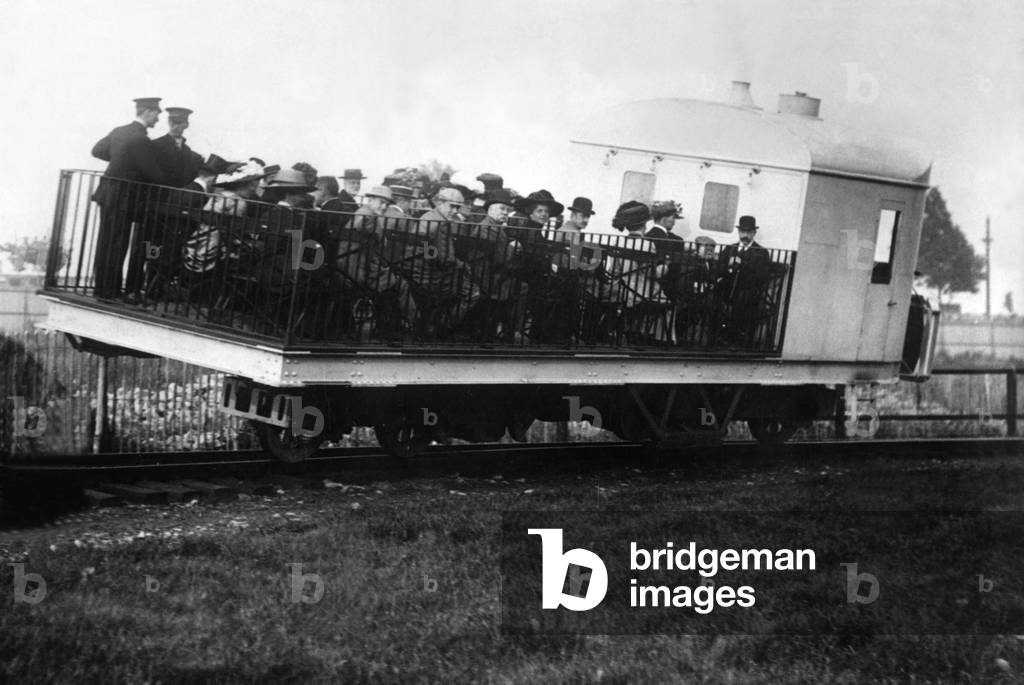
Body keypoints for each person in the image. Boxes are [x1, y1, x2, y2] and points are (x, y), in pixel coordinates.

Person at [90, 96, 170, 300]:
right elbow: (152, 173)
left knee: (106, 240)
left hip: (107, 192)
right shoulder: (140, 138)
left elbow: (97, 150)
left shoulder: (120, 131)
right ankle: (111, 291)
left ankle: (102, 288)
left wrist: (120, 158)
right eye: (156, 114)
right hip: (123, 196)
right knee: (118, 243)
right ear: (147, 113)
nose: (158, 119)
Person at [715, 215, 771, 346]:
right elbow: (719, 267)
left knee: (741, 301)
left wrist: (743, 264)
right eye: (743, 231)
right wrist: (728, 266)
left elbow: (762, 275)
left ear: (754, 233)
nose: (745, 235)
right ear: (739, 232)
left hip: (747, 290)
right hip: (728, 288)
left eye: (749, 232)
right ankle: (716, 338)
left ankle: (734, 340)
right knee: (713, 298)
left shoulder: (762, 252)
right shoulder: (730, 248)